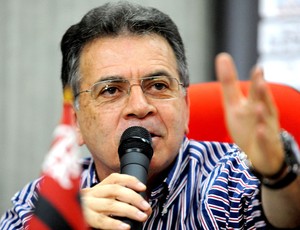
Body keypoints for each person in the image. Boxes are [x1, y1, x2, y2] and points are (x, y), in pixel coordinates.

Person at [1, 1, 300, 229]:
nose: (140, 106)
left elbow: (287, 215)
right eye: (111, 90)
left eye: (157, 85)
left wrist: (277, 175)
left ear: (186, 108)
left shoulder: (230, 176)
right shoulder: (46, 200)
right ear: (76, 122)